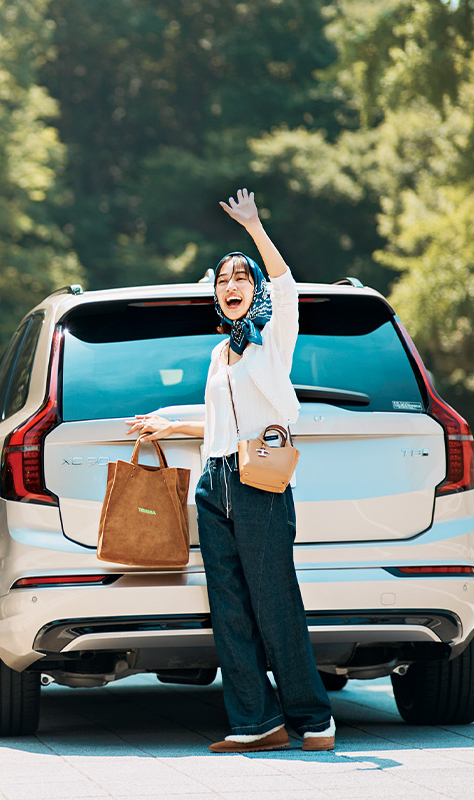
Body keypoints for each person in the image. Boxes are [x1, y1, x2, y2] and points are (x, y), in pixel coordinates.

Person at [126, 188, 335, 753]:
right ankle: (256, 722)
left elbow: (286, 282)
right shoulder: (220, 356)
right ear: (216, 297)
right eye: (223, 282)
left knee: (275, 601)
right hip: (214, 483)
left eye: (241, 278)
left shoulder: (273, 339)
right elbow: (220, 422)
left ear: (255, 290)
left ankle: (312, 719)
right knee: (230, 607)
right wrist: (170, 425)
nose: (232, 286)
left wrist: (254, 229)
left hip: (259, 481)